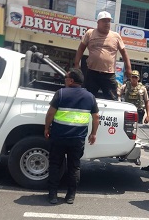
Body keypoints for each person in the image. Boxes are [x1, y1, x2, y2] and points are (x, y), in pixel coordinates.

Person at [44, 68, 100, 204]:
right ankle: (70, 196)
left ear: (71, 80)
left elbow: (50, 113)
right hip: (77, 139)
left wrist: (46, 128)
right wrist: (93, 134)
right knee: (74, 167)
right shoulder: (90, 97)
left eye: (65, 78)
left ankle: (52, 195)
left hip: (59, 136)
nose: (64, 80)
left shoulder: (61, 93)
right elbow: (96, 117)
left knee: (55, 165)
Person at [74, 11, 132, 100]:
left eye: (108, 21)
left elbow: (124, 52)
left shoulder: (115, 36)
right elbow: (81, 49)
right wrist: (77, 64)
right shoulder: (90, 33)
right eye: (104, 21)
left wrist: (128, 68)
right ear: (98, 22)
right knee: (87, 98)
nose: (107, 23)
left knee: (112, 99)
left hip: (108, 75)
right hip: (92, 73)